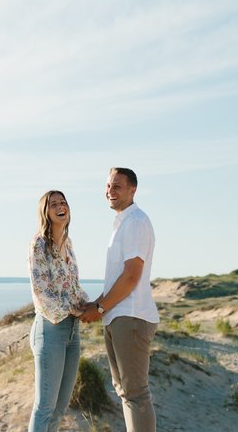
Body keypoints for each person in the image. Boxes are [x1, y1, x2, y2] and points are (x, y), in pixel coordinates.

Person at [80, 167, 159, 432]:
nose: (110, 191)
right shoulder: (123, 222)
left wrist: (101, 307)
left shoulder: (135, 222)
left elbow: (131, 275)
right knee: (126, 391)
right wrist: (96, 305)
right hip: (119, 315)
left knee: (135, 393)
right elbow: (118, 278)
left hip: (131, 316)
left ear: (132, 190)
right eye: (107, 186)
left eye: (117, 186)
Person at [28, 190, 89, 432]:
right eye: (54, 204)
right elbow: (41, 291)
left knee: (60, 407)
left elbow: (73, 287)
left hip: (72, 332)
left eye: (63, 202)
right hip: (50, 330)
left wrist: (89, 305)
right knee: (44, 407)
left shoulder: (68, 243)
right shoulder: (39, 244)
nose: (60, 206)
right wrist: (76, 310)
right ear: (45, 212)